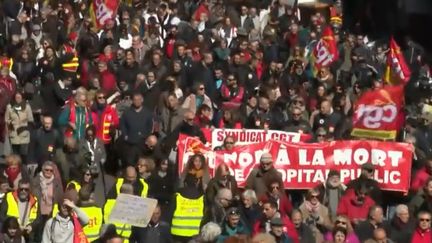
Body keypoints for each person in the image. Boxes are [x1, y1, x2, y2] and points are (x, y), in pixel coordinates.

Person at [119, 92, 154, 166]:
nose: (137, 101)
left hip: (142, 145)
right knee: (128, 164)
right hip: (129, 143)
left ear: (142, 100)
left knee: (140, 164)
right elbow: (123, 125)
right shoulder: (127, 112)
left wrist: (146, 137)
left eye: (139, 99)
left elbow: (150, 127)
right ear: (132, 100)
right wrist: (125, 135)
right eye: (135, 99)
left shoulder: (148, 113)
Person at [171, 174, 204, 243]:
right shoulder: (202, 198)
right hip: (195, 234)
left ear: (185, 183)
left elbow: (169, 214)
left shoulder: (177, 197)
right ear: (197, 183)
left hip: (178, 234)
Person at [5, 91, 34, 162]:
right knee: (15, 155)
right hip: (14, 133)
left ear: (22, 98)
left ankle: (23, 169)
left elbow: (31, 119)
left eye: (19, 97)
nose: (17, 99)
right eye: (16, 97)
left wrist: (25, 121)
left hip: (24, 133)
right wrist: (10, 125)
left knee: (24, 154)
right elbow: (6, 119)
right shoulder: (9, 107)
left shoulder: (27, 107)